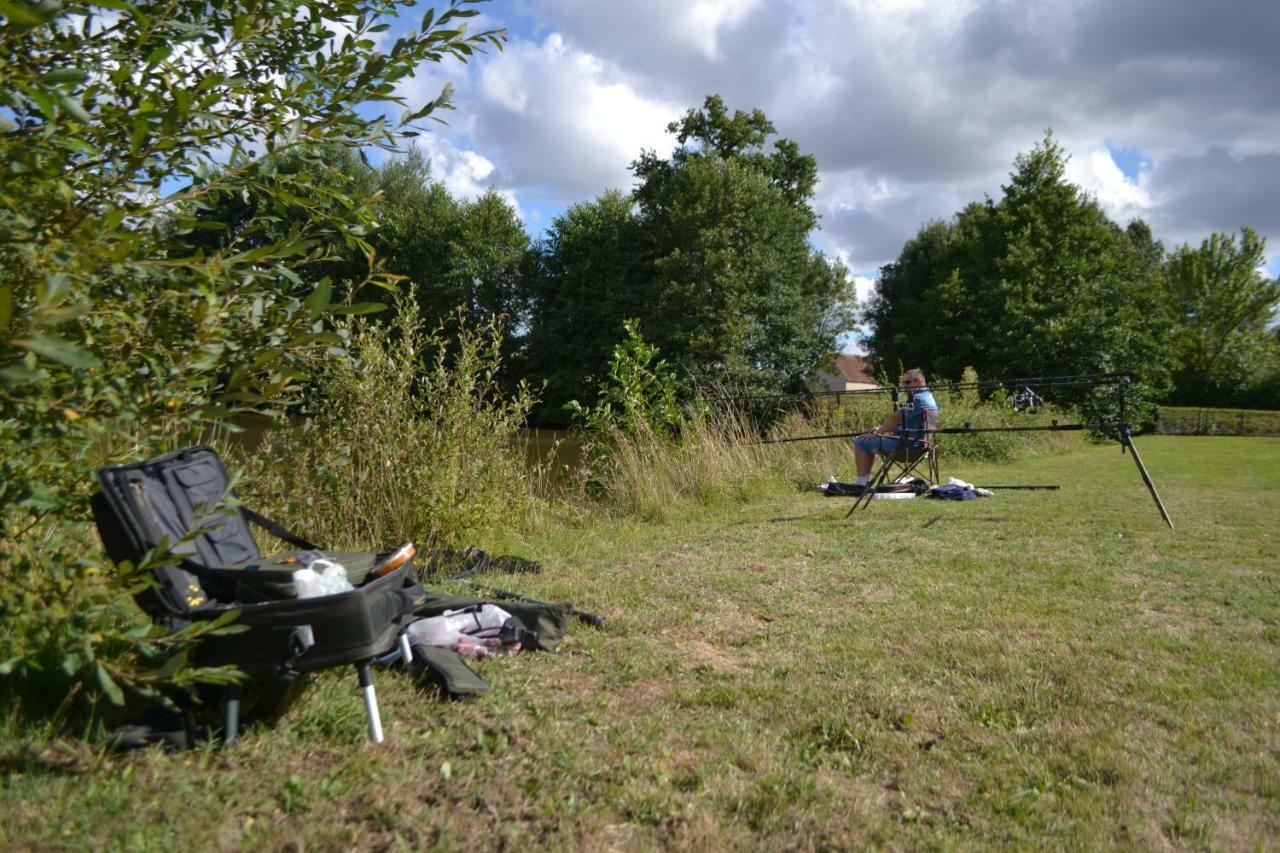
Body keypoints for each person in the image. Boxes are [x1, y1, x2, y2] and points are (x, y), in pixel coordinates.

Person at [849, 368, 938, 492]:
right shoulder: (928, 396)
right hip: (921, 444)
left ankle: (861, 484)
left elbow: (895, 418)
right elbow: (907, 421)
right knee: (868, 440)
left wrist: (878, 432)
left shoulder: (917, 399)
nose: (903, 386)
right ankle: (865, 482)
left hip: (908, 446)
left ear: (918, 382)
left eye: (907, 383)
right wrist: (880, 430)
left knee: (861, 442)